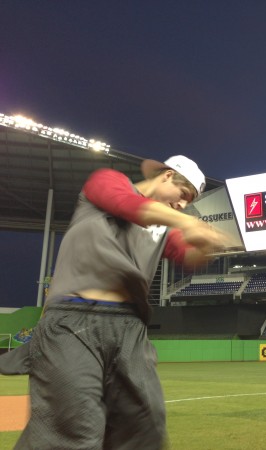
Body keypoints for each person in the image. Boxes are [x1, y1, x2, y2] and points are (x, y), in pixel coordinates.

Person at [5, 155, 233, 449]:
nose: (182, 205)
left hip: (129, 329)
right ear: (166, 176)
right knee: (73, 429)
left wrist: (206, 244)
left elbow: (188, 257)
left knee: (145, 426)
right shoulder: (108, 182)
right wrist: (189, 222)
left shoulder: (167, 228)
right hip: (72, 322)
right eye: (183, 195)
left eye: (188, 203)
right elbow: (131, 207)